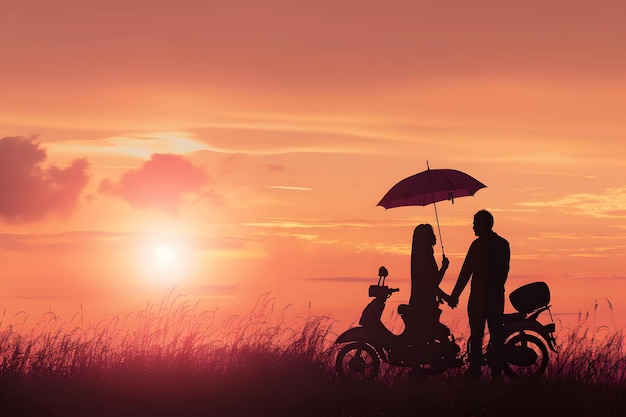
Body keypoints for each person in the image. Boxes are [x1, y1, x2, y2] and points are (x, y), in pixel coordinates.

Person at [449, 210, 510, 380]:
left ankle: (476, 369)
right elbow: (504, 272)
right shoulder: (503, 244)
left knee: (476, 335)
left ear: (484, 225)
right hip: (496, 297)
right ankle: (496, 372)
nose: (473, 227)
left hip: (478, 298)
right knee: (496, 335)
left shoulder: (477, 246)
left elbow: (465, 273)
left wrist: (455, 295)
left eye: (475, 223)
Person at [408, 224, 450, 340]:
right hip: (423, 305)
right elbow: (431, 283)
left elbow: (431, 283)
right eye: (431, 233)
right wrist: (444, 268)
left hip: (424, 303)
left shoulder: (424, 255)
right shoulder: (425, 257)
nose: (434, 236)